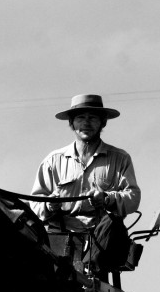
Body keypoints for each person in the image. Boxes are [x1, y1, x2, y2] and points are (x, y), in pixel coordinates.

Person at [30, 94, 141, 276]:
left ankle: (91, 271)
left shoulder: (120, 159)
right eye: (81, 118)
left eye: (92, 118)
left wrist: (106, 198)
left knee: (112, 223)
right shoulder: (53, 161)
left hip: (101, 238)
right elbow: (34, 205)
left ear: (102, 123)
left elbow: (132, 198)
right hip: (60, 237)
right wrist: (49, 205)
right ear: (72, 123)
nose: (86, 123)